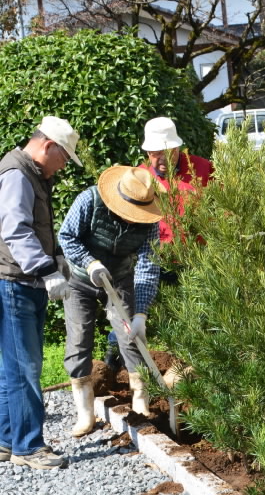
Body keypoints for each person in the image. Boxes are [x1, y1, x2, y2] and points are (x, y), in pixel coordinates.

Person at [0, 115, 81, 470]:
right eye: (63, 158)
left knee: (11, 368)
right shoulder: (17, 173)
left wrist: (58, 258)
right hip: (16, 283)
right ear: (48, 146)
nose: (61, 168)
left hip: (21, 281)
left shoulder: (32, 173)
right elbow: (15, 230)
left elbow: (36, 226)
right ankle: (29, 447)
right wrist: (46, 270)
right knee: (25, 369)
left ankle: (6, 440)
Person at [58, 166, 161, 437]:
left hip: (120, 277)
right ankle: (84, 410)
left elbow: (148, 267)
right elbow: (66, 236)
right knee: (80, 338)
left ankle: (140, 399)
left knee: (129, 338)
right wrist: (89, 263)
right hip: (80, 278)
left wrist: (140, 314)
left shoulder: (149, 221)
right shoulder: (89, 200)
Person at [104, 117, 213, 370]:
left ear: (176, 149)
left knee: (196, 311)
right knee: (133, 307)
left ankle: (193, 366)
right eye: (154, 155)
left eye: (166, 154)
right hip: (152, 254)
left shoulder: (202, 169)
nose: (160, 160)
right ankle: (112, 359)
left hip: (193, 255)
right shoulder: (139, 177)